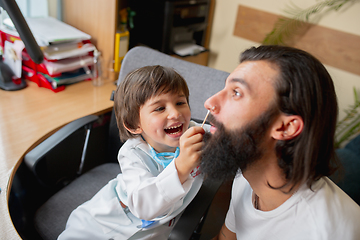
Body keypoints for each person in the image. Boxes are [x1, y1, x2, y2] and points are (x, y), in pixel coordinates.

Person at [200, 45, 360, 240]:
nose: (209, 102)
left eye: (237, 93)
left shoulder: (323, 233)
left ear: (285, 127)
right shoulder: (248, 176)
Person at [58, 65, 206, 240]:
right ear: (134, 125)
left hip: (154, 230)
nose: (175, 113)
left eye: (180, 103)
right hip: (109, 218)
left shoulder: (198, 134)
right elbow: (144, 207)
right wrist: (181, 168)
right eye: (159, 108)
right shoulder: (132, 153)